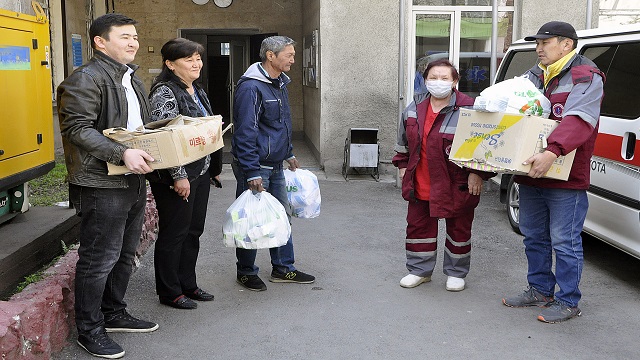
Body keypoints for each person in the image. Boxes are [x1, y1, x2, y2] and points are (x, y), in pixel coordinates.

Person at [57, 13, 158, 359]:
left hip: (131, 178)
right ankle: (90, 329)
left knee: (124, 254)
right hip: (100, 182)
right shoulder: (85, 79)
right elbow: (78, 130)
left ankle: (114, 313)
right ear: (100, 41)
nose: (133, 42)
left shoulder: (131, 79)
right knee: (99, 258)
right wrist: (122, 152)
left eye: (135, 36)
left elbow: (137, 127)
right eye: (125, 36)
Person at [501, 21, 605, 323]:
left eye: (545, 43)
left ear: (566, 45)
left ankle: (568, 300)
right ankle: (540, 290)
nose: (538, 48)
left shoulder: (585, 76)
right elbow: (511, 111)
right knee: (533, 236)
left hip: (565, 177)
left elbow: (579, 120)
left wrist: (552, 151)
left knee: (564, 240)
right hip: (529, 172)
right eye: (538, 43)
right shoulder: (531, 75)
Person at [393, 59, 494, 292]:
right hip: (421, 179)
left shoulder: (470, 108)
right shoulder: (414, 107)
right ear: (425, 80)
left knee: (459, 228)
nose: (438, 82)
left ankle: (456, 272)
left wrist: (477, 174)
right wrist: (402, 165)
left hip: (455, 182)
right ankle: (419, 270)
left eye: (444, 78)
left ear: (454, 81)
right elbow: (403, 142)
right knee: (418, 228)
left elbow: (485, 146)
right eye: (433, 78)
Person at [231, 35, 315, 291]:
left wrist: (287, 152)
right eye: (288, 55)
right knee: (252, 220)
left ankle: (283, 268)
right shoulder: (251, 88)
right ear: (270, 56)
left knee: (281, 217)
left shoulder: (278, 83)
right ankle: (246, 272)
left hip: (276, 164)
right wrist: (251, 171)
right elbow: (245, 132)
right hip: (257, 166)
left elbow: (280, 124)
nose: (293, 59)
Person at [147, 38, 222, 310]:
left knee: (193, 231)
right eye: (188, 59)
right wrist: (178, 175)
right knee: (174, 233)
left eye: (198, 58)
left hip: (199, 172)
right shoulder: (165, 92)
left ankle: (188, 284)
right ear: (169, 63)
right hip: (175, 176)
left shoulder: (196, 90)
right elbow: (164, 136)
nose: (196, 63)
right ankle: (169, 291)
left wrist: (212, 168)